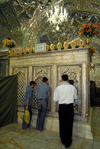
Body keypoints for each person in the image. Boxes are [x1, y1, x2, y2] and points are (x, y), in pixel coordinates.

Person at [53, 74, 77, 149]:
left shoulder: (58, 88)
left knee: (62, 123)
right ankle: (68, 142)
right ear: (68, 79)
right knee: (69, 124)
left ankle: (63, 139)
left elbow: (55, 99)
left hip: (62, 108)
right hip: (70, 107)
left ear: (62, 79)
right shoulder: (72, 87)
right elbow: (75, 97)